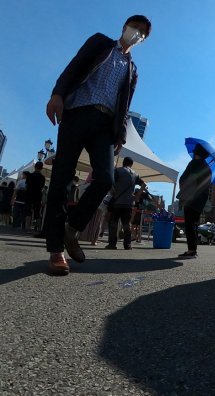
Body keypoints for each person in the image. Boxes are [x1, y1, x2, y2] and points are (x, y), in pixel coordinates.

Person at [44, 15, 151, 275]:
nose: (136, 33)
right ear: (125, 27)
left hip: (105, 126)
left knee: (104, 179)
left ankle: (71, 230)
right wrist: (57, 94)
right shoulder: (100, 43)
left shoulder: (132, 69)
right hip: (78, 112)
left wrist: (120, 136)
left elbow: (124, 106)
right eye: (134, 27)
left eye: (142, 33)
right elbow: (75, 66)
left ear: (143, 40)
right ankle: (56, 250)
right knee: (62, 179)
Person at [177, 144, 212, 258]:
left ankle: (191, 250)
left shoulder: (193, 164)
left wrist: (183, 196)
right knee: (194, 225)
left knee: (189, 224)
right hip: (200, 200)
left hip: (191, 197)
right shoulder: (208, 168)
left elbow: (183, 179)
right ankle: (193, 249)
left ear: (196, 153)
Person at [105, 157, 146, 250]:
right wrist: (137, 196)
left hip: (117, 202)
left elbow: (109, 181)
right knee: (127, 224)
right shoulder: (135, 174)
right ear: (131, 164)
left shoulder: (118, 171)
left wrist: (112, 192)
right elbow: (144, 185)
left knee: (113, 223)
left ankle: (112, 244)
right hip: (128, 203)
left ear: (123, 163)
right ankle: (127, 245)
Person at [25, 162, 46, 232]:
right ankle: (38, 228)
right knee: (37, 212)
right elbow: (42, 187)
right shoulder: (42, 177)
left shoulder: (30, 175)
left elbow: (26, 186)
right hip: (38, 195)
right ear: (42, 168)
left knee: (28, 211)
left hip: (29, 195)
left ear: (35, 167)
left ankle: (28, 227)